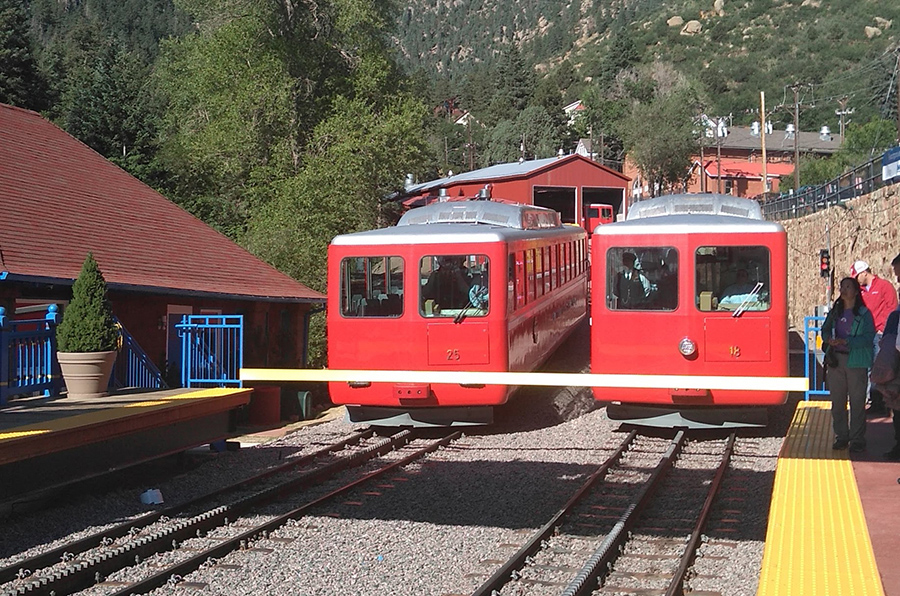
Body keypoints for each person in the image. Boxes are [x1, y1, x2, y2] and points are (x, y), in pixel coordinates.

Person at [821, 276, 876, 452]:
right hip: (836, 361)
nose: (844, 290)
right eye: (842, 287)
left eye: (848, 287)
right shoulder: (835, 311)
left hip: (856, 360)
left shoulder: (864, 314)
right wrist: (828, 339)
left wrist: (848, 342)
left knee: (857, 401)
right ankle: (841, 436)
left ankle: (857, 438)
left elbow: (869, 337)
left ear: (855, 291)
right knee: (837, 401)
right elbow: (825, 329)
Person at [851, 259, 898, 417]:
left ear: (864, 273)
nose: (856, 280)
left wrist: (883, 330)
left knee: (880, 369)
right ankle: (873, 401)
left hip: (880, 334)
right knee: (868, 367)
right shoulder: (862, 292)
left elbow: (892, 309)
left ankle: (882, 403)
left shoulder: (884, 286)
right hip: (867, 335)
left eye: (857, 276)